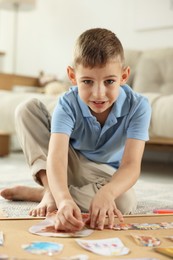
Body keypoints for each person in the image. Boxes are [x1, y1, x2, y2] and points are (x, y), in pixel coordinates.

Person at [0, 28, 151, 231]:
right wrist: (64, 201)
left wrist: (106, 193)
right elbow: (57, 157)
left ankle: (47, 192)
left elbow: (131, 165)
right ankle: (52, 190)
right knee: (26, 109)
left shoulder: (138, 106)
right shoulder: (67, 103)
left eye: (109, 81)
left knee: (122, 202)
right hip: (68, 162)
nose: (98, 93)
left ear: (124, 76)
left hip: (103, 174)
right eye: (87, 81)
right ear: (72, 76)